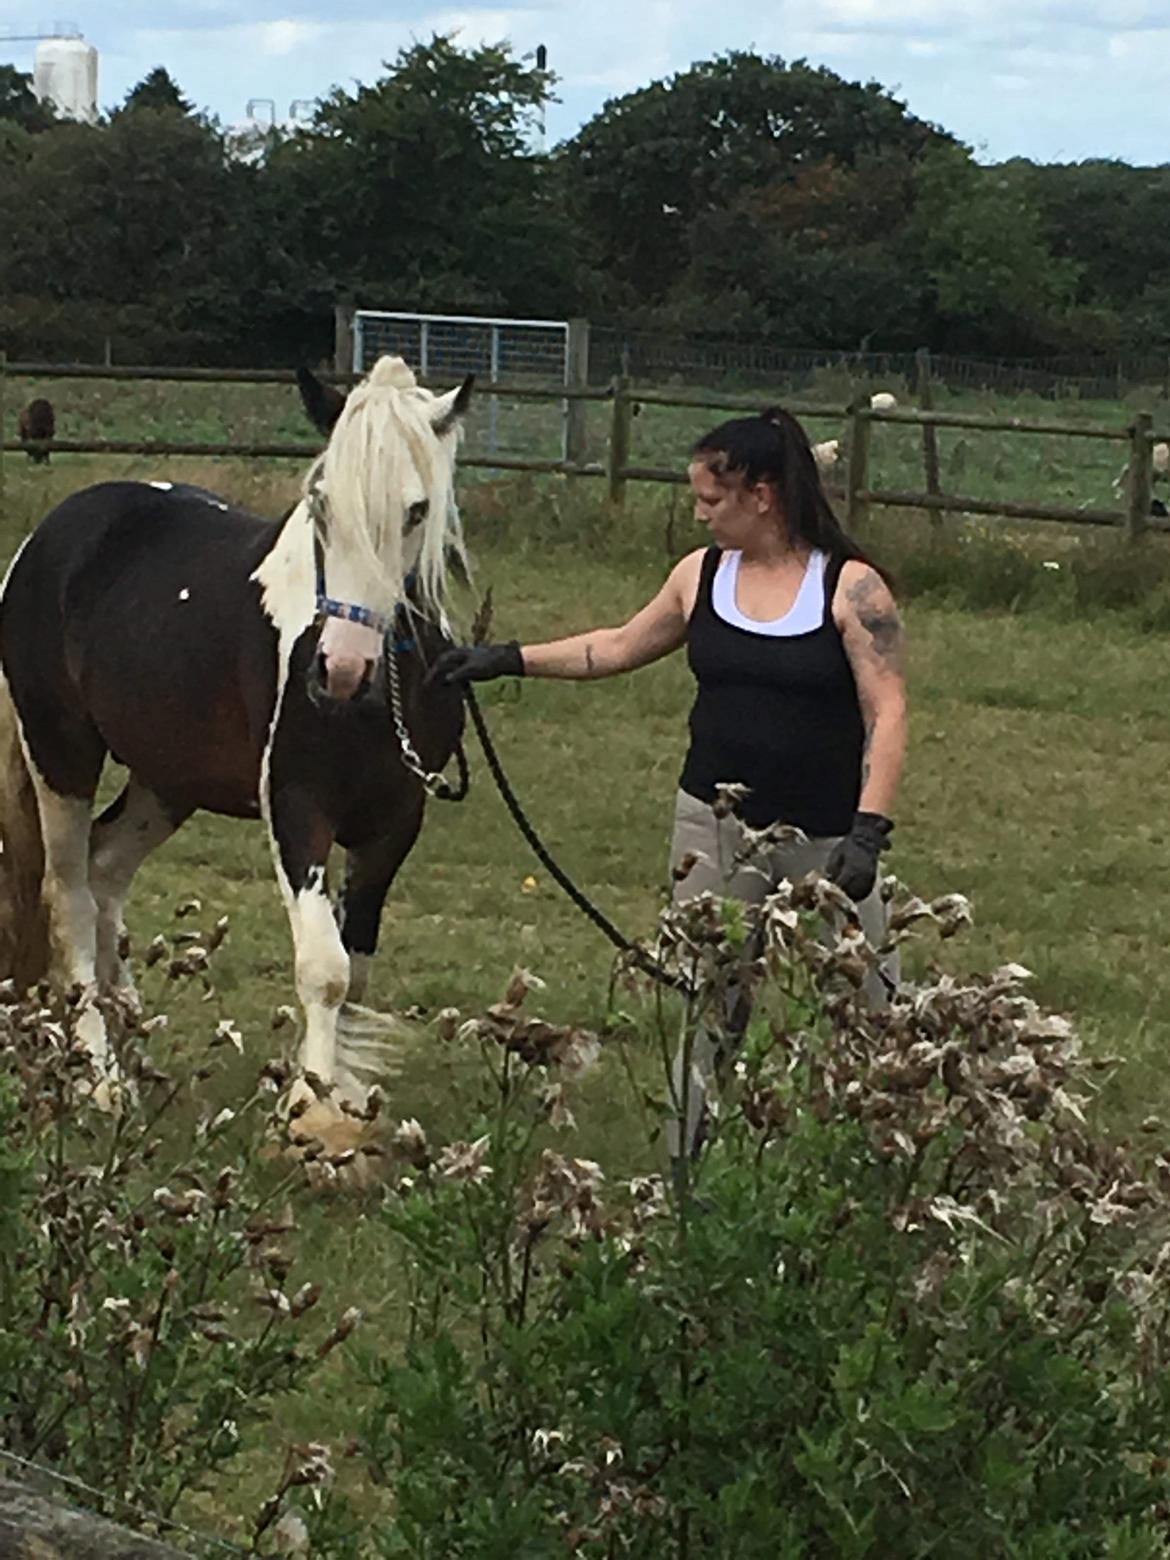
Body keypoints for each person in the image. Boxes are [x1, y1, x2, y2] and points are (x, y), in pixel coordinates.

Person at [431, 408, 907, 1159]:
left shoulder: (851, 590)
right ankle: (690, 1166)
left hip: (826, 837)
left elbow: (888, 711)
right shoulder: (699, 576)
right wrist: (506, 658)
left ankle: (876, 1162)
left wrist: (868, 830)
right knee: (710, 1006)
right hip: (713, 833)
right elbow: (617, 647)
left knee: (872, 1004)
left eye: (712, 499)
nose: (700, 513)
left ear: (763, 494)